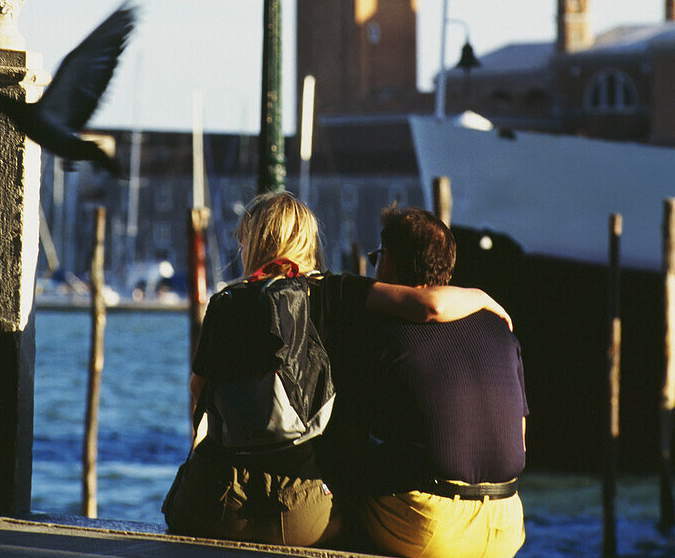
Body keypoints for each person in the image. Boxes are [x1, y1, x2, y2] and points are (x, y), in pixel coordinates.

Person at [163, 192, 512, 546]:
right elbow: (430, 304)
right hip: (299, 513)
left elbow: (198, 394)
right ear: (306, 240)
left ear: (254, 242)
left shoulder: (225, 303)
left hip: (211, 504)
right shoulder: (336, 292)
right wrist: (483, 298)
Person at [360, 207, 528, 558]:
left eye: (377, 257)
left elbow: (353, 427)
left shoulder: (385, 331)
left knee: (342, 487)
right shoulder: (501, 330)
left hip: (430, 528)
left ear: (388, 262)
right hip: (507, 525)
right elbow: (520, 440)